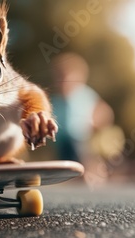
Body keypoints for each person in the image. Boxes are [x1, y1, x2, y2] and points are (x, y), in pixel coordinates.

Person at [50, 53, 115, 183]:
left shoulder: (84, 94)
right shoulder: (55, 100)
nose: (63, 82)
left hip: (79, 138)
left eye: (67, 78)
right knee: (66, 167)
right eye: (60, 78)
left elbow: (105, 112)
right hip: (61, 141)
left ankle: (92, 177)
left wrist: (94, 123)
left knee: (82, 161)